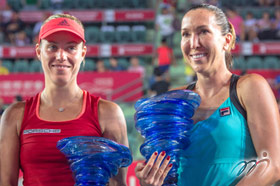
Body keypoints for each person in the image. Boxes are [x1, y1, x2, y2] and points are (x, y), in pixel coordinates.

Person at [135, 4, 280, 186]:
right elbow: (169, 173)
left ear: (226, 41)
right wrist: (151, 180)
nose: (194, 43)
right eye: (186, 34)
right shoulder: (175, 99)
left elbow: (272, 164)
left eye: (203, 32)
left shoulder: (249, 87)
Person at [0, 13, 129, 186]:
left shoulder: (108, 114)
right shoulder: (14, 116)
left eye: (71, 48)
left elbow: (119, 184)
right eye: (52, 47)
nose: (61, 56)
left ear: (83, 53)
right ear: (38, 51)